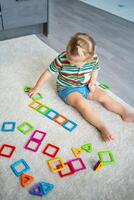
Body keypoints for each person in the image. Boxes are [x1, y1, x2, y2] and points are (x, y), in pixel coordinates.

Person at [29, 32, 134, 142]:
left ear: (88, 59)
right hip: (66, 89)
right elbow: (48, 73)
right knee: (82, 104)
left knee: (104, 96)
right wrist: (37, 87)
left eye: (75, 62)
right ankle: (102, 127)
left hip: (85, 85)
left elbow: (95, 69)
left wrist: (92, 83)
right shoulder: (61, 59)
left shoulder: (93, 59)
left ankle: (125, 113)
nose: (71, 63)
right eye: (69, 59)